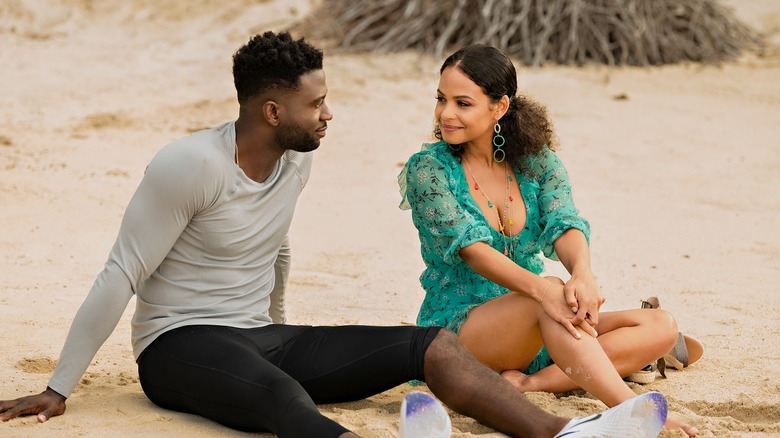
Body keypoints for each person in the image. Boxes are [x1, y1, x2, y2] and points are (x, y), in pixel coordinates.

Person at [0, 32, 670, 438]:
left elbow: (277, 248)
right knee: (277, 396)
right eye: (315, 103)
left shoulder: (294, 162)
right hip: (179, 344)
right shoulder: (189, 165)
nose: (328, 113)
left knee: (430, 346)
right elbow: (121, 271)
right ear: (272, 110)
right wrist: (60, 386)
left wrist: (284, 330)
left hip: (260, 334)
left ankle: (562, 431)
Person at [398, 43, 699, 437]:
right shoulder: (429, 169)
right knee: (551, 294)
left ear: (499, 107)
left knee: (662, 326)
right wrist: (546, 291)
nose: (445, 113)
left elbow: (564, 221)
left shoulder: (535, 161)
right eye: (441, 99)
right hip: (461, 330)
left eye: (462, 103)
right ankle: (627, 410)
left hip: (540, 319)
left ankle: (530, 383)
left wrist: (582, 276)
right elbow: (473, 251)